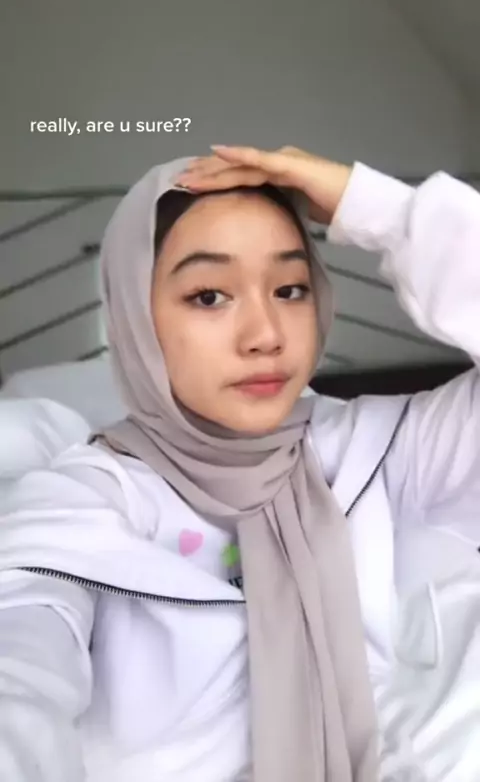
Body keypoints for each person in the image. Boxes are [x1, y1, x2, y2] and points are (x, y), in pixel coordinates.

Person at [0, 144, 479, 782]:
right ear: (134, 319)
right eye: (208, 296)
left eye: (290, 289)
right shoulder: (82, 501)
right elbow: (21, 662)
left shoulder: (384, 450)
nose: (266, 335)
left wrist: (378, 209)